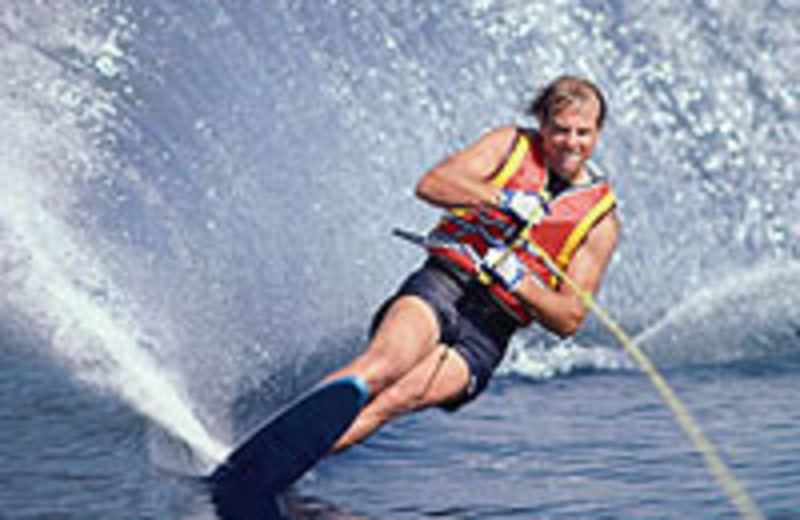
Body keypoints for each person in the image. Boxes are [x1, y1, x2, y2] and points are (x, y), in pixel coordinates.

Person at [325, 75, 620, 452]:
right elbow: (432, 184)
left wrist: (519, 280)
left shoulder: (600, 223)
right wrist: (501, 199)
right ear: (542, 125)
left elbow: (569, 318)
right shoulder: (508, 144)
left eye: (584, 132)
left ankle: (280, 465)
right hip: (444, 284)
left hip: (489, 331)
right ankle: (286, 436)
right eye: (561, 130)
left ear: (597, 132)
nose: (572, 143)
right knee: (385, 364)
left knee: (394, 400)